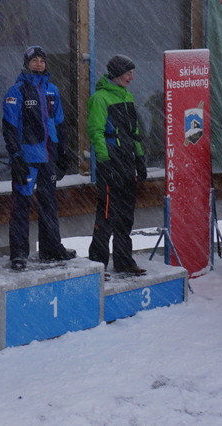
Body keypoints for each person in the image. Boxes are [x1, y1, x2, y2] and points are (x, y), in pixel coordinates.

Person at [2, 46, 76, 271]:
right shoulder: (17, 91)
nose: (38, 64)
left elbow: (60, 123)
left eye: (42, 60)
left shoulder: (52, 90)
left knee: (49, 205)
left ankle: (51, 249)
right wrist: (15, 156)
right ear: (26, 63)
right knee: (21, 206)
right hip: (27, 160)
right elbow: (10, 126)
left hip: (48, 158)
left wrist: (63, 153)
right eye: (34, 60)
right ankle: (19, 254)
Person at [87, 54, 147, 278]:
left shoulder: (127, 96)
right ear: (117, 74)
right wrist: (104, 161)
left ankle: (123, 261)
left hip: (127, 163)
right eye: (128, 73)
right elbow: (96, 132)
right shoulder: (100, 99)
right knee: (106, 216)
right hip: (111, 163)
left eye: (132, 73)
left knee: (125, 216)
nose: (131, 77)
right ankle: (97, 264)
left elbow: (135, 133)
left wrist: (139, 158)